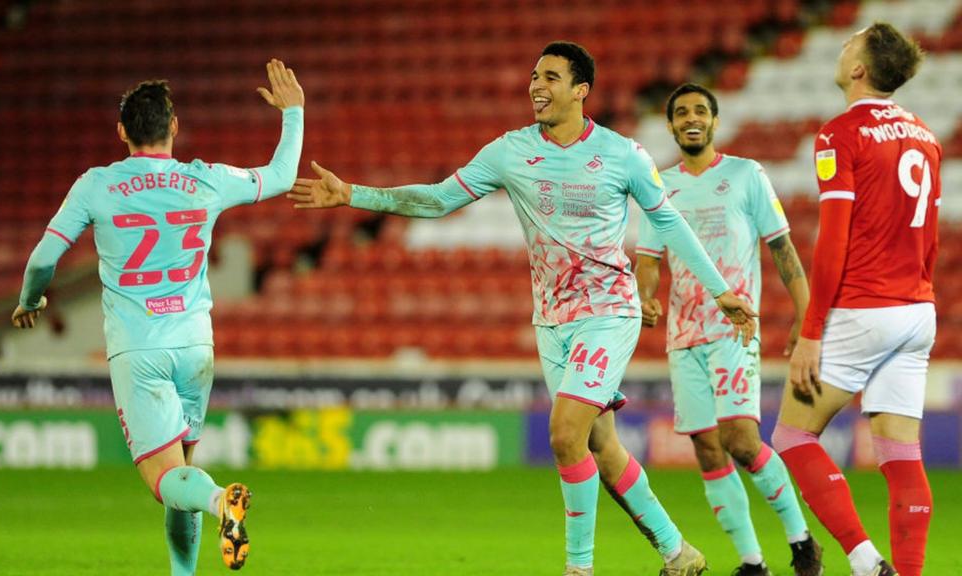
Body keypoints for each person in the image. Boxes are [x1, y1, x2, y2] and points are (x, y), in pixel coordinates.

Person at [289, 41, 758, 576]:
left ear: (581, 90)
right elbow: (440, 199)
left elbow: (670, 222)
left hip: (609, 312)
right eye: (535, 76)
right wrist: (354, 194)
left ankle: (578, 569)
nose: (536, 85)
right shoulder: (510, 151)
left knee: (563, 436)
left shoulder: (623, 154)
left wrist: (720, 289)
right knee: (600, 447)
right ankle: (680, 554)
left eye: (551, 77)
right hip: (552, 321)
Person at [11, 59, 305, 573]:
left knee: (165, 480)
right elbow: (281, 177)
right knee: (180, 475)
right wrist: (295, 112)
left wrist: (32, 299)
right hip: (196, 346)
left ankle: (221, 502)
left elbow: (42, 259)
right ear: (174, 127)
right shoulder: (205, 180)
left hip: (139, 348)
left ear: (121, 131)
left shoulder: (96, 185)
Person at [771, 22, 938, 576]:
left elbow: (834, 238)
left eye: (850, 44)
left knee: (793, 435)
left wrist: (812, 331)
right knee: (901, 456)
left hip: (865, 308)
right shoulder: (924, 135)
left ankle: (867, 563)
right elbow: (930, 237)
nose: (842, 49)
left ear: (861, 68)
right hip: (917, 308)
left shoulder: (840, 134)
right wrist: (919, 295)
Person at [634, 83, 822, 576]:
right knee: (706, 447)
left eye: (700, 110)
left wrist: (807, 314)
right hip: (684, 335)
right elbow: (649, 259)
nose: (691, 118)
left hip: (734, 330)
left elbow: (782, 248)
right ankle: (752, 562)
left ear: (715, 122)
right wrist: (645, 294)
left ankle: (802, 541)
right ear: (671, 125)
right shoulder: (660, 186)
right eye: (681, 113)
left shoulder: (745, 175)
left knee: (741, 439)